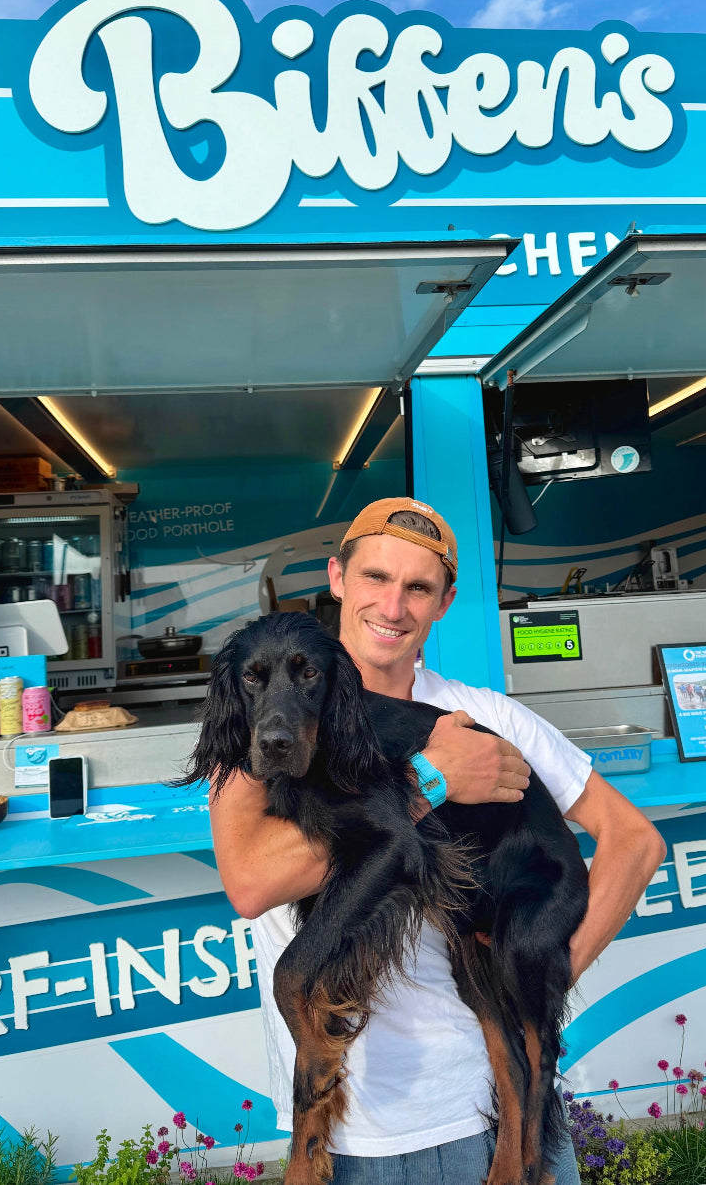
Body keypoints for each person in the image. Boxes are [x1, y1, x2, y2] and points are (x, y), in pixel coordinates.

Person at [210, 497, 666, 1185]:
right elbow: (251, 883)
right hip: (363, 1129)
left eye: (418, 588)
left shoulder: (486, 715)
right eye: (375, 579)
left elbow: (635, 841)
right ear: (337, 577)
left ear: (445, 602)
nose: (393, 607)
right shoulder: (264, 729)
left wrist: (540, 978)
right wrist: (434, 778)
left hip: (490, 1103)